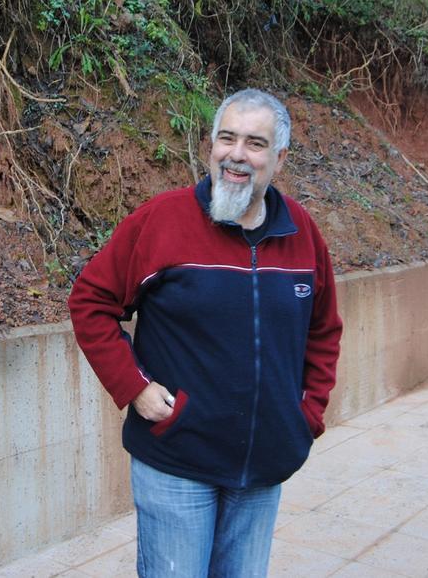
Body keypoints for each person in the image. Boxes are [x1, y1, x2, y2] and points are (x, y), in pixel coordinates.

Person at [69, 88, 343, 577]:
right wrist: (134, 387)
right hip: (178, 460)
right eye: (227, 138)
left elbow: (323, 331)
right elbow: (90, 302)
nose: (236, 154)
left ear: (279, 158)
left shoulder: (302, 233)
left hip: (263, 467)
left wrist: (306, 416)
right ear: (209, 146)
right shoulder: (161, 222)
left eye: (255, 144)